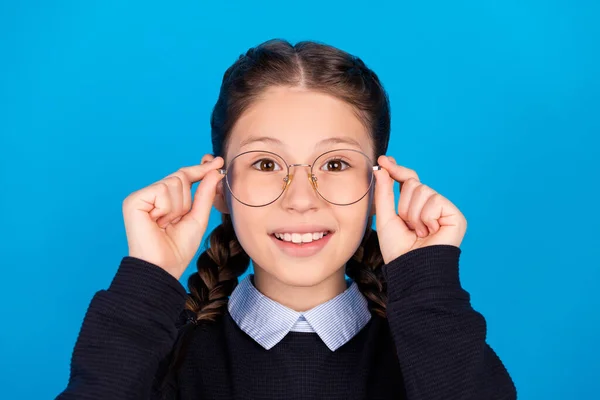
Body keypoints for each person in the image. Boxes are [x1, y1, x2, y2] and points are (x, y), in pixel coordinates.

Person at [56, 38, 517, 400]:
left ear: (379, 187)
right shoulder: (163, 357)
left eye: (335, 164)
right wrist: (149, 278)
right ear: (220, 187)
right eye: (265, 163)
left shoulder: (432, 346)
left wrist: (428, 285)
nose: (300, 200)